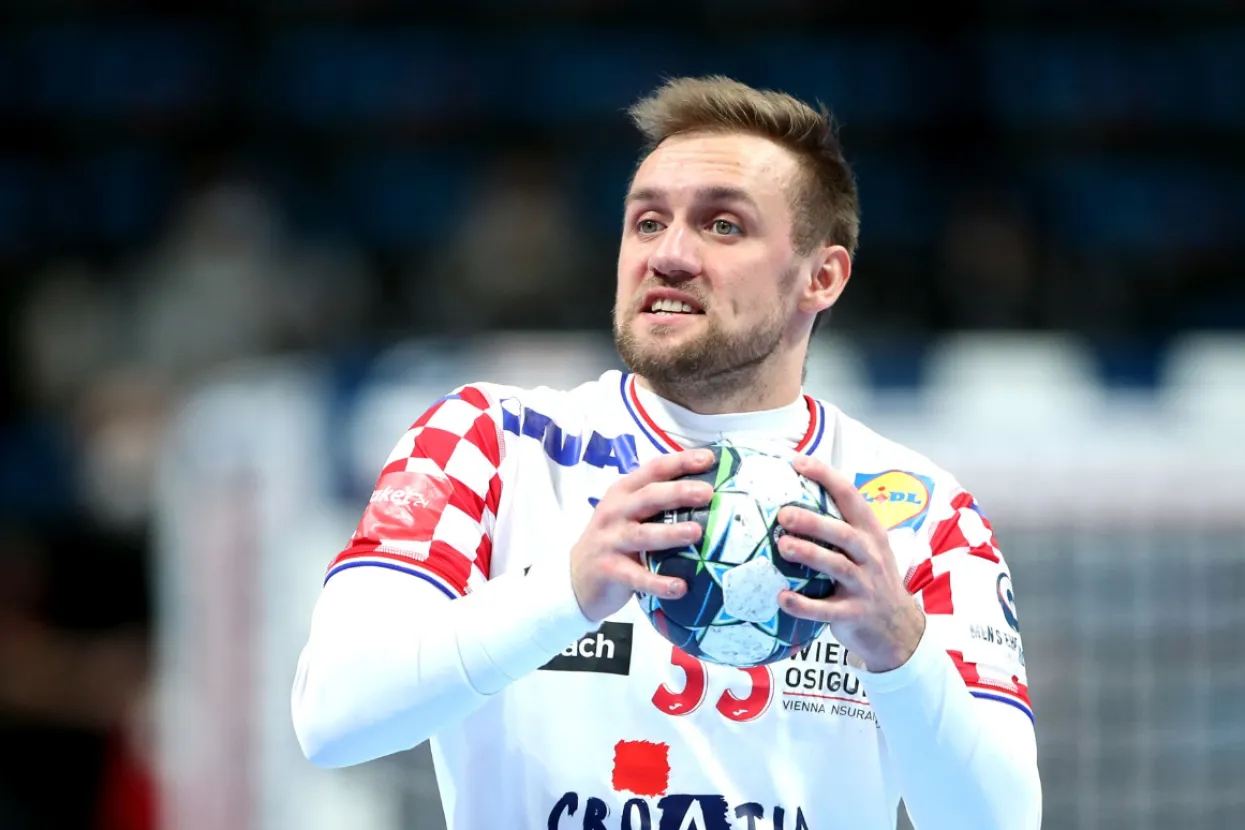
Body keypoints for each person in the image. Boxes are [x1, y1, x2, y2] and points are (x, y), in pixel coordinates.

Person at [291, 76, 1042, 830]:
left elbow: (1002, 822)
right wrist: (565, 590)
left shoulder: (920, 513)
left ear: (822, 277)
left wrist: (899, 646)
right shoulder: (492, 441)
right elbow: (331, 717)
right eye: (648, 222)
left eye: (723, 225)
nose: (669, 255)